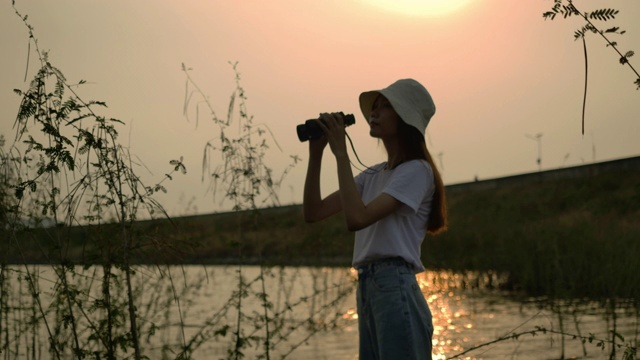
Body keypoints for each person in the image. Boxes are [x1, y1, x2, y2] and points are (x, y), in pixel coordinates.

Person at [302, 78, 447, 359]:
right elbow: (313, 212)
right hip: (368, 287)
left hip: (394, 285)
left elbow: (357, 218)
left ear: (405, 119)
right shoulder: (373, 175)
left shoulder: (417, 170)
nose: (374, 113)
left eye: (385, 107)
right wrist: (316, 154)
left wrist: (341, 152)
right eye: (374, 107)